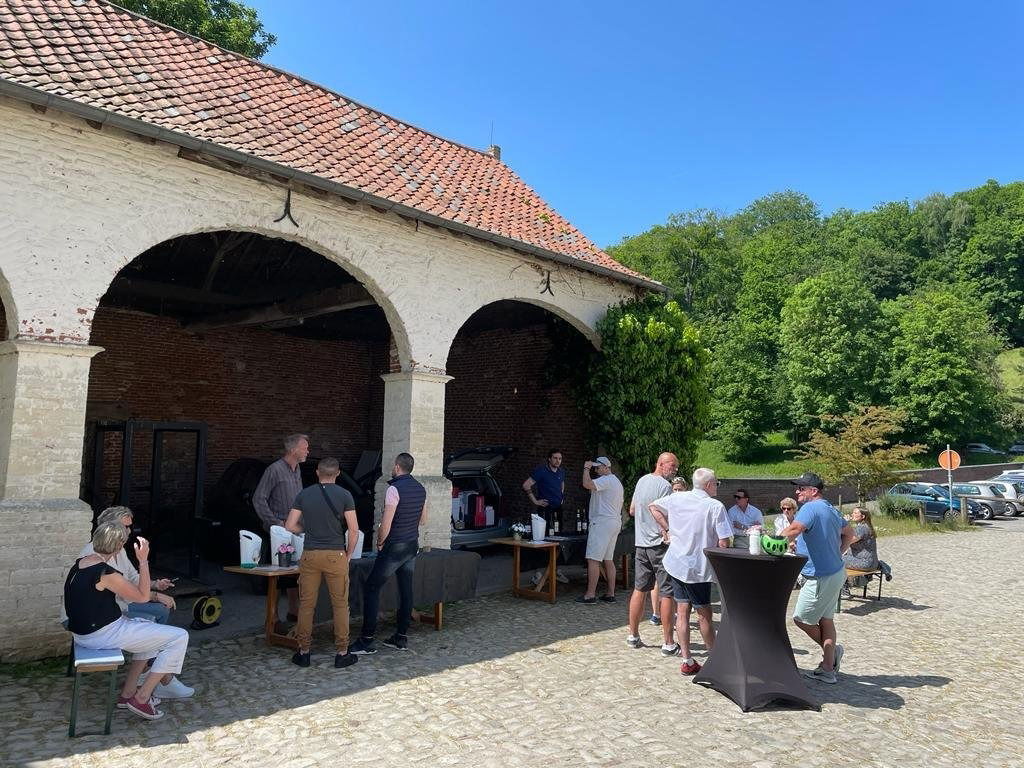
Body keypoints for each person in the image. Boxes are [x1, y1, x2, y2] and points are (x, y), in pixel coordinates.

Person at [61, 506, 192, 700]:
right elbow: (135, 596)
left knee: (151, 623)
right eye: (125, 529)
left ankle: (135, 686)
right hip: (99, 625)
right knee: (173, 633)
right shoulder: (102, 567)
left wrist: (155, 584)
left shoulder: (94, 557)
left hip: (93, 622)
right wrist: (144, 562)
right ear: (110, 532)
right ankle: (148, 692)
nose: (129, 532)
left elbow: (130, 579)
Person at [649, 468, 733, 675]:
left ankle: (687, 659)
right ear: (708, 485)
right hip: (698, 567)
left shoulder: (678, 498)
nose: (717, 487)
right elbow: (724, 542)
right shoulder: (715, 506)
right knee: (704, 613)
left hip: (677, 562)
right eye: (716, 483)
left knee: (683, 610)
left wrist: (667, 529)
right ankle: (715, 660)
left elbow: (653, 506)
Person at [779, 472, 855, 684]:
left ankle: (831, 653)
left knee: (801, 619)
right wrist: (836, 553)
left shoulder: (810, 508)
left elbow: (795, 528)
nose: (797, 491)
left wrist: (770, 542)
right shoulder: (830, 507)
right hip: (836, 571)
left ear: (813, 491)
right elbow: (849, 534)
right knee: (825, 619)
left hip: (820, 576)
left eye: (801, 488)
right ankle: (828, 668)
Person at [285, 457, 360, 669]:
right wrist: (348, 553)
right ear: (337, 473)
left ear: (317, 472)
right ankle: (342, 652)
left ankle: (304, 651)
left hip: (310, 554)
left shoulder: (304, 494)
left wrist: (305, 530)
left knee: (307, 605)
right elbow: (353, 530)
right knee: (340, 606)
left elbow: (290, 525)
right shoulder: (345, 495)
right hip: (335, 554)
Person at [349, 452, 428, 654]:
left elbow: (386, 522)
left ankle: (366, 640)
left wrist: (380, 541)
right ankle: (400, 637)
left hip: (395, 546)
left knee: (372, 587)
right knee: (405, 589)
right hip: (412, 544)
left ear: (397, 467)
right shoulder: (420, 488)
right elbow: (423, 520)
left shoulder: (394, 489)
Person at [252, 433, 309, 623]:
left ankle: (293, 611)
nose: (307, 451)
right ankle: (273, 619)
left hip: (296, 529)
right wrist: (275, 523)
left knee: (295, 571)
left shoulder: (297, 469)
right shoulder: (274, 470)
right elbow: (259, 499)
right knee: (277, 574)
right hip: (279, 532)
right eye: (305, 447)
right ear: (293, 450)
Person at [626, 452, 678, 654]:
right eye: (672, 466)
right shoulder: (665, 487)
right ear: (661, 464)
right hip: (659, 544)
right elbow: (666, 513)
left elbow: (631, 510)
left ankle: (633, 635)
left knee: (640, 589)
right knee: (667, 592)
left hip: (641, 544)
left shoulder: (641, 481)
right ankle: (668, 642)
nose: (674, 471)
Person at [576, 457, 624, 604]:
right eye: (594, 468)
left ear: (605, 467)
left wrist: (586, 468)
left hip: (602, 522)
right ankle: (610, 593)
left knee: (593, 559)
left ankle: (590, 595)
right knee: (608, 559)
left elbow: (586, 484)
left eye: (597, 468)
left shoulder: (606, 480)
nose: (595, 471)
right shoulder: (616, 481)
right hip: (614, 521)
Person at [522, 448, 568, 585]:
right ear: (549, 458)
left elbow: (562, 484)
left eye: (560, 458)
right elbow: (526, 485)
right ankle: (538, 573)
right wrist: (535, 501)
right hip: (545, 510)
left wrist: (561, 497)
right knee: (542, 540)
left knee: (558, 539)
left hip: (558, 509)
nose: (558, 461)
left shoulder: (561, 472)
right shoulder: (541, 471)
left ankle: (556, 570)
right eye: (555, 458)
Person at [649, 476, 688, 625]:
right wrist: (665, 532)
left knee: (678, 578)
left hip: (680, 545)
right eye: (675, 489)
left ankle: (679, 611)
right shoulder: (667, 502)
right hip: (666, 543)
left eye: (680, 489)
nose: (677, 492)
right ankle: (655, 613)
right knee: (660, 579)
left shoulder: (686, 503)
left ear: (685, 490)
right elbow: (656, 515)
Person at [843, 506, 878, 571]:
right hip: (871, 562)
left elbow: (847, 541)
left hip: (864, 562)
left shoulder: (862, 528)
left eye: (855, 513)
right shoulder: (866, 526)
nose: (852, 514)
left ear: (863, 516)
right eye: (852, 513)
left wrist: (844, 523)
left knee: (835, 560)